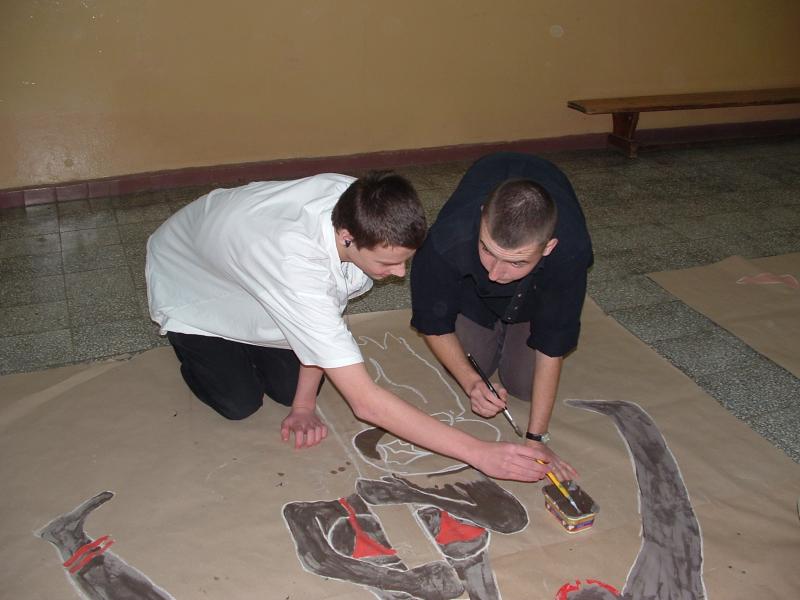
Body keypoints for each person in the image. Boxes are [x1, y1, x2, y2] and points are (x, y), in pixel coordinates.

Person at [146, 170, 550, 482]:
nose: (399, 274)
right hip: (193, 280)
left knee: (289, 391)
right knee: (240, 402)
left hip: (248, 261)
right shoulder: (295, 267)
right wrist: (479, 453)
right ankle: (192, 343)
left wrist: (303, 406)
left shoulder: (363, 203)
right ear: (347, 238)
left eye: (405, 260)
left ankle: (262, 343)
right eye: (388, 263)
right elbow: (365, 402)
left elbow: (325, 308)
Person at [410, 152, 594, 482]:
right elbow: (433, 323)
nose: (496, 274)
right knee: (474, 365)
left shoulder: (571, 252)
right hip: (472, 296)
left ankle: (515, 322)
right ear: (481, 220)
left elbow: (552, 343)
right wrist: (471, 382)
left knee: (523, 385)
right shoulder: (446, 239)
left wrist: (536, 439)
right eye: (487, 250)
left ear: (548, 248)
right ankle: (493, 324)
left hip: (533, 298)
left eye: (517, 262)